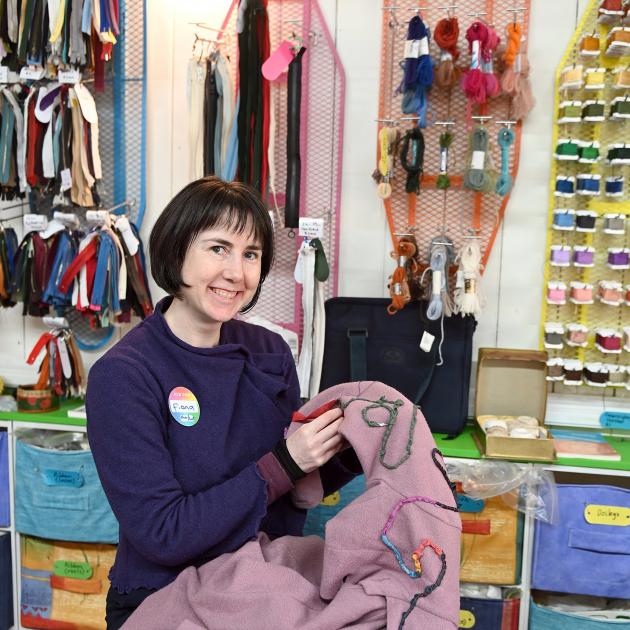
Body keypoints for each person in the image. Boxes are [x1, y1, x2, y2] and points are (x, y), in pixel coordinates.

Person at [86, 176, 360, 630]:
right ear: (176, 251)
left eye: (250, 254)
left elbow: (292, 487)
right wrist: (286, 463)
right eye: (218, 249)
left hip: (267, 588)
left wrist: (351, 449)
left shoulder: (269, 353)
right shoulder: (124, 375)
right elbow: (163, 533)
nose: (237, 272)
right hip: (165, 599)